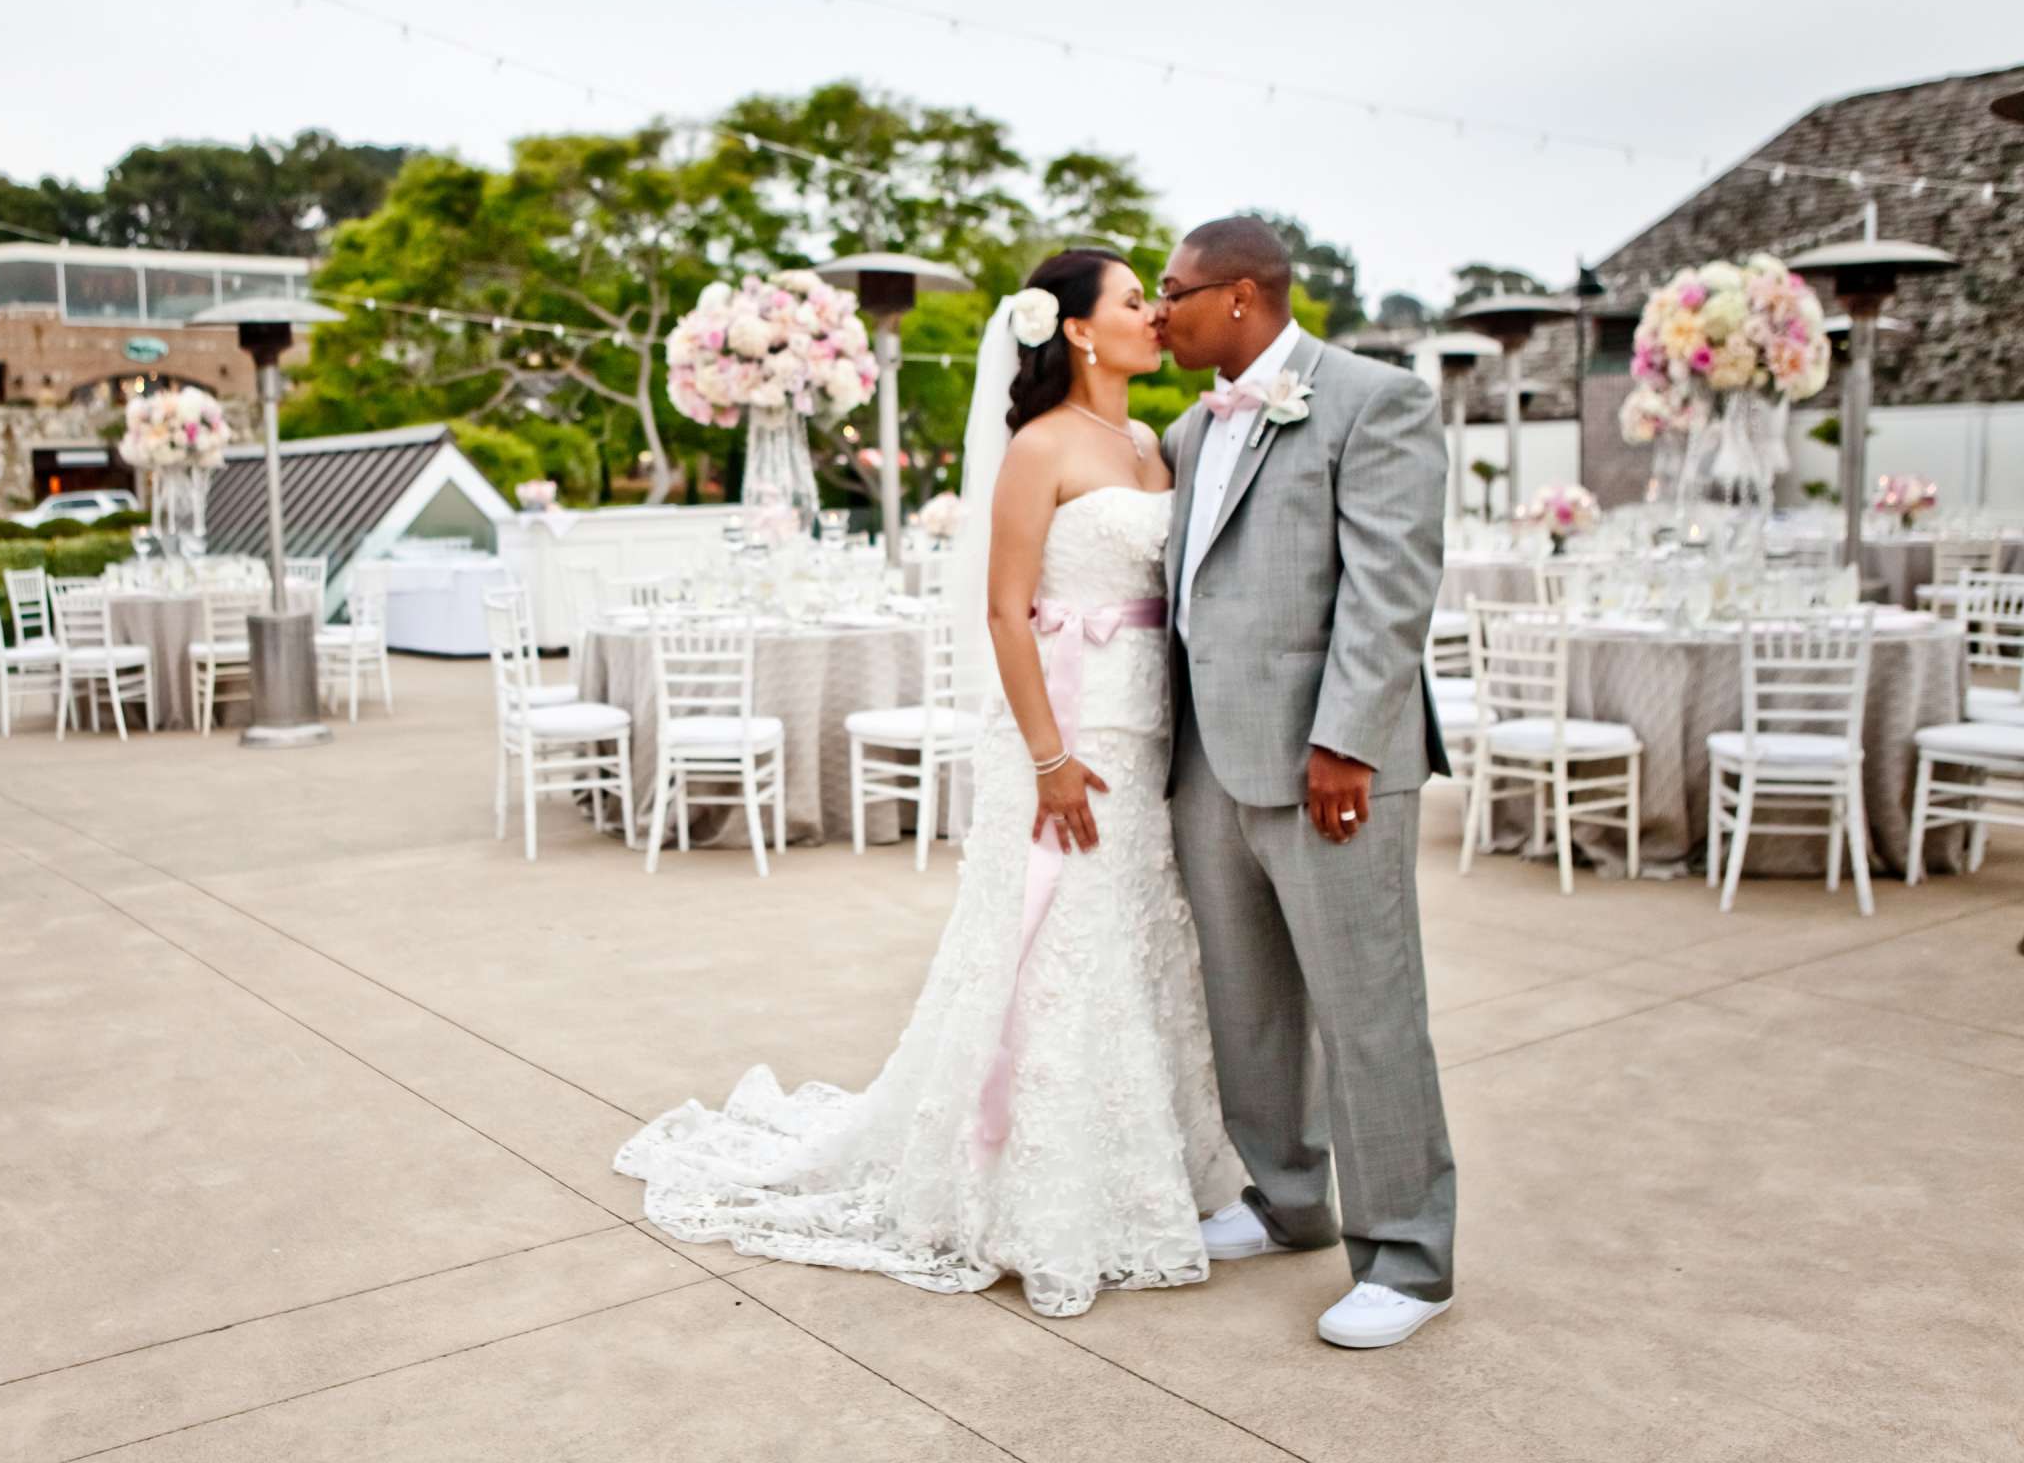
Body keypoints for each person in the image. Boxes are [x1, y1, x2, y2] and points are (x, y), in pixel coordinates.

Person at [616, 251, 1235, 1318]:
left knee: (1133, 940)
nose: (1157, 314)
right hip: (1065, 731)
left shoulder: (1148, 443)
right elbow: (1005, 610)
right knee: (1051, 944)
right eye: (1137, 300)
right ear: (1080, 331)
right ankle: (1022, 1187)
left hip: (1148, 732)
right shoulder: (1039, 447)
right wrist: (1047, 757)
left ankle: (1143, 1163)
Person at [1157, 215, 1456, 1348]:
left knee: (1369, 1007)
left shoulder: (1375, 399)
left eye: (1175, 291)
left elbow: (1391, 589)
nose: (1156, 309)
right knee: (1249, 1005)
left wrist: (1349, 741)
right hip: (1204, 759)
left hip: (1330, 763)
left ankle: (1410, 1257)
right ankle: (1286, 1199)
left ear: (1240, 296)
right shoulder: (1189, 428)